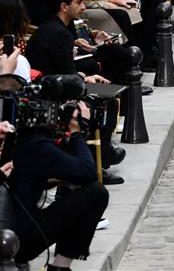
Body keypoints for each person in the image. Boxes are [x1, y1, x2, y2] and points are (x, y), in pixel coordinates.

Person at [9, 95, 109, 270]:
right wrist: (78, 132)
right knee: (96, 193)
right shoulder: (37, 146)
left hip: (12, 228)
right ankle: (60, 266)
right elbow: (87, 172)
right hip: (20, 239)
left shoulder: (19, 139)